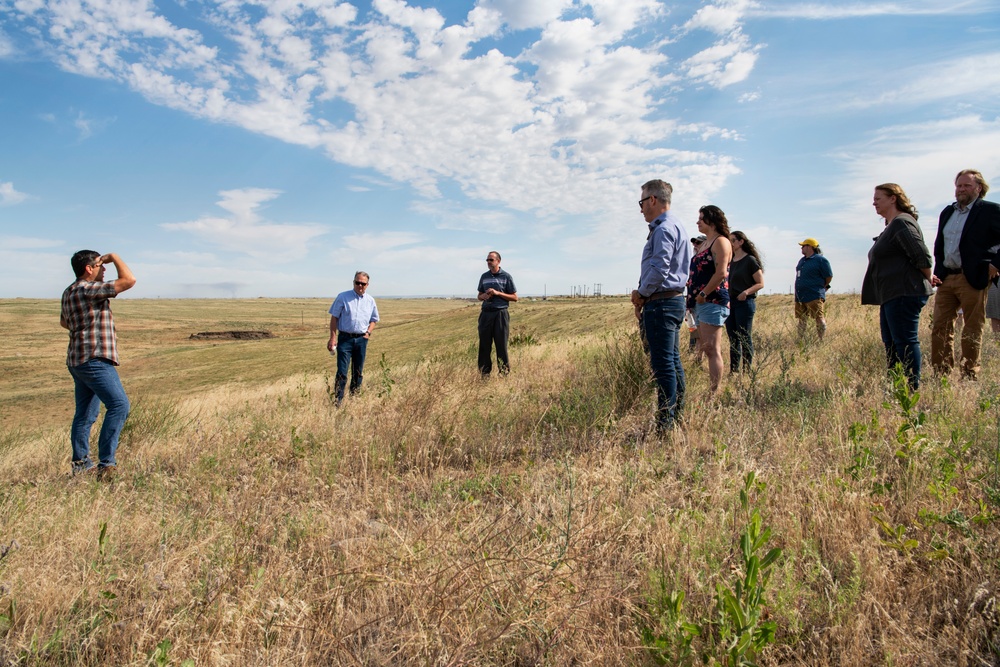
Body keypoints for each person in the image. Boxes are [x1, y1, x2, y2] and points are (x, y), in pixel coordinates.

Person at [60, 250, 136, 478]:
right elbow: (128, 281)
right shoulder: (87, 289)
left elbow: (64, 322)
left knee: (84, 415)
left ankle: (81, 465)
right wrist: (114, 257)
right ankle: (106, 464)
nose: (104, 270)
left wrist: (84, 324)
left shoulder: (69, 291)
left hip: (77, 360)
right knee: (119, 405)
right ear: (89, 268)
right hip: (94, 358)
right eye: (101, 265)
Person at [631, 179, 692, 430]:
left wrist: (641, 293)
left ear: (653, 200)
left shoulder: (664, 229)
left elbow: (658, 269)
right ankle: (675, 417)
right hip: (672, 302)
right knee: (672, 362)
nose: (641, 208)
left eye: (642, 202)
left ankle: (665, 424)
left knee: (663, 365)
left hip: (662, 304)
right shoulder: (674, 225)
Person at [861, 183, 933, 390]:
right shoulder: (891, 226)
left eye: (878, 198)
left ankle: (911, 387)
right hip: (891, 294)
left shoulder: (902, 223)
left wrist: (928, 276)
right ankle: (896, 385)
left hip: (904, 292)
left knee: (905, 341)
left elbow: (921, 255)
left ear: (893, 198)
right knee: (892, 343)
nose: (874, 202)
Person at [930, 169, 1000, 379]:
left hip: (974, 278)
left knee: (972, 328)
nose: (961, 189)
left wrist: (995, 265)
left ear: (978, 188)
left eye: (966, 186)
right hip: (946, 277)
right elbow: (939, 244)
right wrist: (937, 270)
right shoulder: (947, 212)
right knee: (940, 328)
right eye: (959, 186)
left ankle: (969, 374)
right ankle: (941, 375)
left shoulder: (990, 210)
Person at [687, 205, 732, 393]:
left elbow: (721, 273)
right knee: (705, 347)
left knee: (712, 349)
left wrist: (704, 294)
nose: (698, 221)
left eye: (701, 218)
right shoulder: (705, 243)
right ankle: (712, 388)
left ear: (712, 220)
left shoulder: (720, 242)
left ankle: (714, 392)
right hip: (699, 302)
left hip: (711, 301)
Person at [327, 272, 379, 404]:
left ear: (367, 285)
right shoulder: (343, 297)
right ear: (353, 282)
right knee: (342, 372)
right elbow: (334, 317)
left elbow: (374, 319)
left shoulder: (370, 301)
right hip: (345, 339)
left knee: (358, 372)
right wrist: (333, 338)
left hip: (361, 340)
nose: (360, 286)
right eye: (357, 282)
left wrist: (368, 333)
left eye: (363, 283)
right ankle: (338, 401)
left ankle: (354, 399)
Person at [726, 231, 764, 373]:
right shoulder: (730, 261)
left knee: (744, 336)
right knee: (733, 338)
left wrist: (746, 292)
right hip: (731, 303)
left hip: (745, 303)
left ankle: (747, 371)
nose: (731, 243)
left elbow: (760, 283)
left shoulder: (750, 260)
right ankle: (734, 371)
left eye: (733, 240)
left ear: (741, 242)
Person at [477, 251, 518, 376]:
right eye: (487, 260)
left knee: (501, 345)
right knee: (484, 345)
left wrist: (498, 293)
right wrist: (483, 295)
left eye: (491, 260)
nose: (489, 262)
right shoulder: (484, 276)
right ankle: (484, 374)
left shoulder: (506, 276)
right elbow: (479, 296)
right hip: (486, 313)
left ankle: (504, 373)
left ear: (498, 261)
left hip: (500, 313)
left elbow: (515, 297)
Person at [794, 238, 833, 340]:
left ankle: (821, 340)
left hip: (814, 295)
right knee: (802, 319)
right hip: (800, 295)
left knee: (819, 318)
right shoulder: (802, 260)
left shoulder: (820, 260)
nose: (801, 248)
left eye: (803, 246)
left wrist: (823, 286)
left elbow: (828, 276)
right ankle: (800, 340)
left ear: (810, 247)